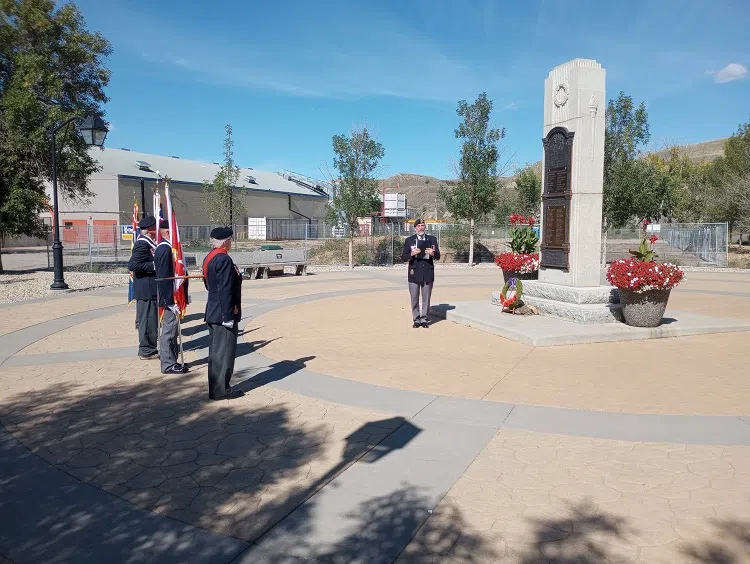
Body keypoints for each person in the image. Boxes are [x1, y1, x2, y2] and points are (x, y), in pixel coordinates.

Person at [203, 227, 243, 400]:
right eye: (230, 240)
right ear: (225, 241)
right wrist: (228, 316)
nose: (231, 243)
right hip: (223, 313)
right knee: (224, 353)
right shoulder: (224, 260)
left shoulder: (210, 257)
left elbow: (209, 284)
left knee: (215, 353)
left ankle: (216, 387)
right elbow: (226, 289)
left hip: (212, 309)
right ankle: (221, 390)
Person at [154, 219, 188, 375]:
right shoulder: (164, 249)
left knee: (173, 331)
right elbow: (163, 278)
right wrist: (169, 301)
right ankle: (168, 364)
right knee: (169, 331)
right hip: (169, 299)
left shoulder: (169, 248)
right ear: (168, 232)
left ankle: (172, 360)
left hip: (172, 297)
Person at [128, 215, 159, 359]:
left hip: (150, 288)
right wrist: (154, 265)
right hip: (145, 289)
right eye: (155, 228)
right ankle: (146, 350)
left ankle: (149, 347)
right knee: (147, 321)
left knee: (151, 320)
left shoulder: (148, 242)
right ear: (151, 230)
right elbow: (133, 265)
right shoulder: (142, 244)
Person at [402, 219, 441, 328]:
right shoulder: (409, 240)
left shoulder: (432, 239)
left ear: (425, 227)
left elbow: (438, 256)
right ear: (415, 228)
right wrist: (412, 253)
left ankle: (424, 318)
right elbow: (403, 257)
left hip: (428, 272)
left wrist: (433, 253)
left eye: (422, 225)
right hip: (414, 273)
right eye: (418, 226)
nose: (421, 227)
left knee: (426, 297)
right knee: (414, 297)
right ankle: (416, 319)